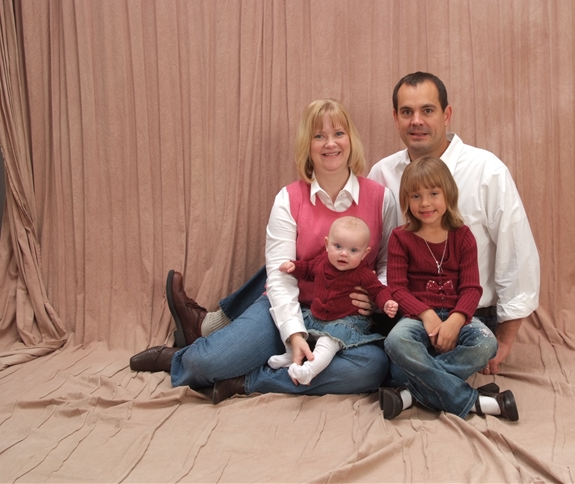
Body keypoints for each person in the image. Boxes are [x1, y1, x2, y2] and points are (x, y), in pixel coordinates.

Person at [129, 99, 399, 404]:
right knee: (205, 363)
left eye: (338, 133)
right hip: (290, 307)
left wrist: (376, 298)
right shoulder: (289, 198)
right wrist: (293, 333)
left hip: (345, 322)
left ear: (351, 139)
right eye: (319, 136)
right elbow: (280, 276)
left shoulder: (381, 198)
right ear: (307, 145)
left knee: (372, 368)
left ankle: (244, 380)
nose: (330, 143)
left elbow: (387, 264)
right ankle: (180, 358)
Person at [367, 71, 540, 417]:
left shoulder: (486, 169)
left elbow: (517, 254)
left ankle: (413, 393)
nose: (417, 121)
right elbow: (376, 256)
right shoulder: (381, 174)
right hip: (409, 315)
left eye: (428, 110)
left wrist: (505, 338)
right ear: (396, 118)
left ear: (446, 114)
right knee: (392, 354)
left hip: (468, 316)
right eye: (407, 112)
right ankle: (469, 399)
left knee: (400, 372)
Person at [379, 156, 517, 420]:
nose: (425, 203)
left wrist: (456, 319)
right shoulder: (400, 237)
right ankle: (472, 401)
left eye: (433, 193)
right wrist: (426, 314)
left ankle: (412, 393)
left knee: (487, 344)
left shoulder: (463, 236)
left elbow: (471, 289)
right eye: (416, 196)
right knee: (396, 342)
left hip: (457, 314)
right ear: (406, 200)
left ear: (449, 194)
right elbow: (397, 289)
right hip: (416, 318)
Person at [268, 216, 398, 386]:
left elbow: (378, 290)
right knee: (297, 323)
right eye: (338, 246)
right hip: (317, 315)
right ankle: (291, 355)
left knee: (328, 340)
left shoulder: (362, 273)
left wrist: (386, 302)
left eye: (353, 250)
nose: (344, 254)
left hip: (346, 321)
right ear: (327, 244)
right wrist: (294, 267)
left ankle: (310, 370)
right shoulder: (322, 261)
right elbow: (308, 269)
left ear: (365, 253)